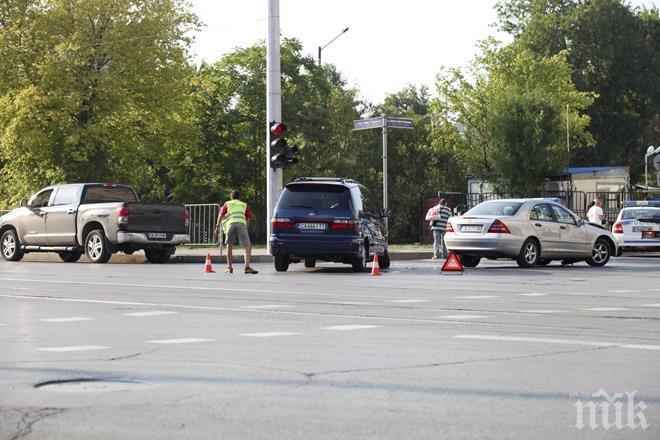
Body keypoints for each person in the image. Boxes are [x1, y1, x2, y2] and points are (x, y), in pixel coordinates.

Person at [215, 190, 258, 274]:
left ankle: (229, 268)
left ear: (231, 197)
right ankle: (247, 267)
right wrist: (246, 227)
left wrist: (217, 227)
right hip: (241, 224)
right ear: (239, 197)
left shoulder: (227, 203)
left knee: (229, 245)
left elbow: (220, 215)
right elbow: (248, 218)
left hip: (230, 225)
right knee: (247, 246)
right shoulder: (243, 204)